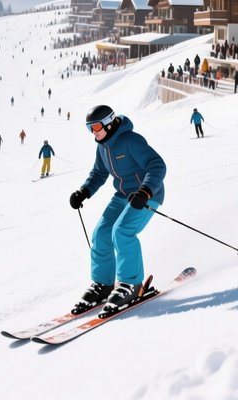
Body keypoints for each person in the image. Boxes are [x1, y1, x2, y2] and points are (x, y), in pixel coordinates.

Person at [68, 104, 166, 318]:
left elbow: (157, 165)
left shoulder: (131, 140)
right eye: (89, 128)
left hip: (146, 195)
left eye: (95, 127)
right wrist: (84, 192)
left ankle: (132, 284)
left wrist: (146, 191)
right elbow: (98, 173)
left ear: (109, 123)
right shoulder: (102, 146)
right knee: (101, 233)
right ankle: (103, 284)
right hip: (123, 195)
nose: (92, 133)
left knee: (121, 232)